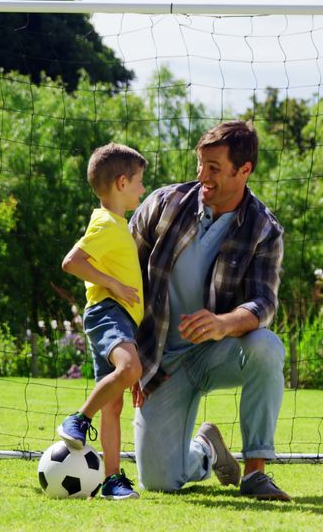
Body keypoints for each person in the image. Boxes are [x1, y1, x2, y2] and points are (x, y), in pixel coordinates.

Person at [130, 120, 290, 501]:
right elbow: (123, 277)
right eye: (200, 165)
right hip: (161, 362)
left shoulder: (265, 229)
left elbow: (264, 303)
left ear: (244, 170)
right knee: (158, 481)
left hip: (218, 353)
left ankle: (255, 473)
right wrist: (132, 357)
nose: (202, 176)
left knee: (266, 347)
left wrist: (223, 323)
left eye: (214, 168)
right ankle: (207, 451)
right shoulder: (163, 205)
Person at [56, 142, 148, 500]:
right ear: (122, 183)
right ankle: (77, 420)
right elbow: (71, 262)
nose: (143, 188)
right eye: (140, 181)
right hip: (108, 312)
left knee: (115, 403)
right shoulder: (109, 224)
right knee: (130, 370)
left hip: (118, 317)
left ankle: (111, 480)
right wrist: (115, 285)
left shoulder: (115, 224)